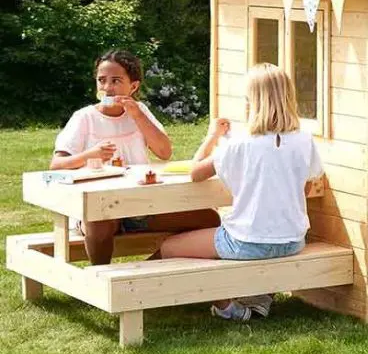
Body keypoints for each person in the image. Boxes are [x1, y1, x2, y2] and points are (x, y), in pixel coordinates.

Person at [159, 63, 323, 321]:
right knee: (237, 240)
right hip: (293, 240)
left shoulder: (240, 143)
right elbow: (306, 186)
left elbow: (195, 172)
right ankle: (260, 297)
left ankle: (228, 307)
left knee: (169, 248)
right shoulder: (304, 139)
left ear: (252, 101)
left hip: (247, 241)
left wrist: (212, 136)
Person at [51, 49, 220, 265]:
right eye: (101, 80)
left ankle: (150, 266)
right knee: (98, 221)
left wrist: (138, 115)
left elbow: (164, 152)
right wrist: (90, 155)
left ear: (133, 86)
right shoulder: (84, 117)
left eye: (115, 81)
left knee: (209, 218)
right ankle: (101, 275)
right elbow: (56, 165)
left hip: (139, 204)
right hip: (99, 207)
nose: (107, 87)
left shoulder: (140, 111)